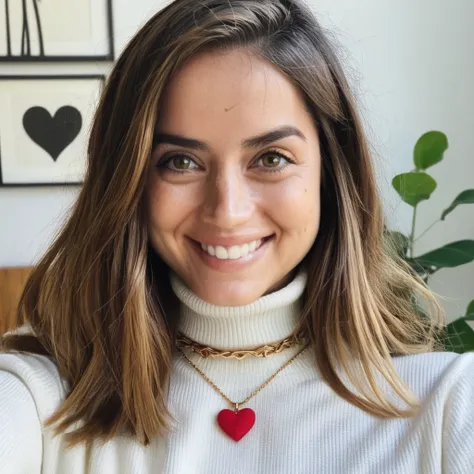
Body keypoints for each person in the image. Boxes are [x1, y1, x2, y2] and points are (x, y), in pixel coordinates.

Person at [0, 0, 473, 472]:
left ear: (332, 171)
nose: (227, 212)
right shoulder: (42, 395)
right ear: (128, 181)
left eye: (270, 158)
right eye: (180, 162)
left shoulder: (448, 406)